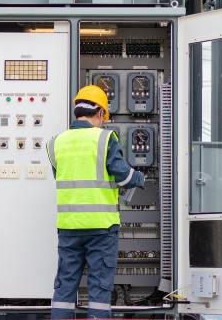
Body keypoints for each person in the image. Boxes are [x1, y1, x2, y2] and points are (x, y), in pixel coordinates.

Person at [46, 84, 145, 319]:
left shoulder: (56, 143)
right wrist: (140, 177)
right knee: (99, 289)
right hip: (101, 228)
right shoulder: (104, 139)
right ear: (100, 113)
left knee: (65, 285)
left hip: (69, 228)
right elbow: (122, 174)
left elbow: (63, 177)